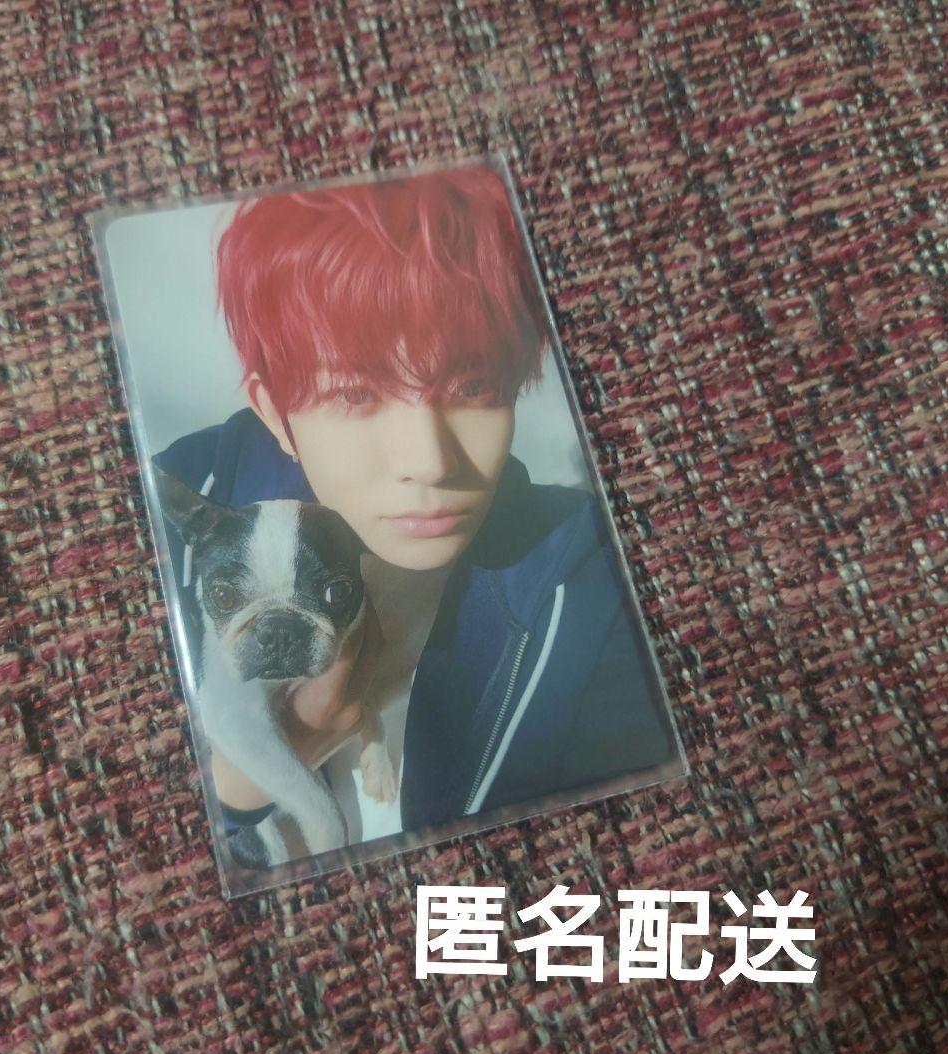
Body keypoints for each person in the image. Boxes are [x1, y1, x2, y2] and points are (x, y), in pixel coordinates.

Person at [153, 164, 680, 862]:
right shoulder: (169, 501)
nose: (429, 461)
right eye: (354, 395)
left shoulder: (602, 582)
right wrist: (245, 786)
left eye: (472, 386)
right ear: (274, 412)